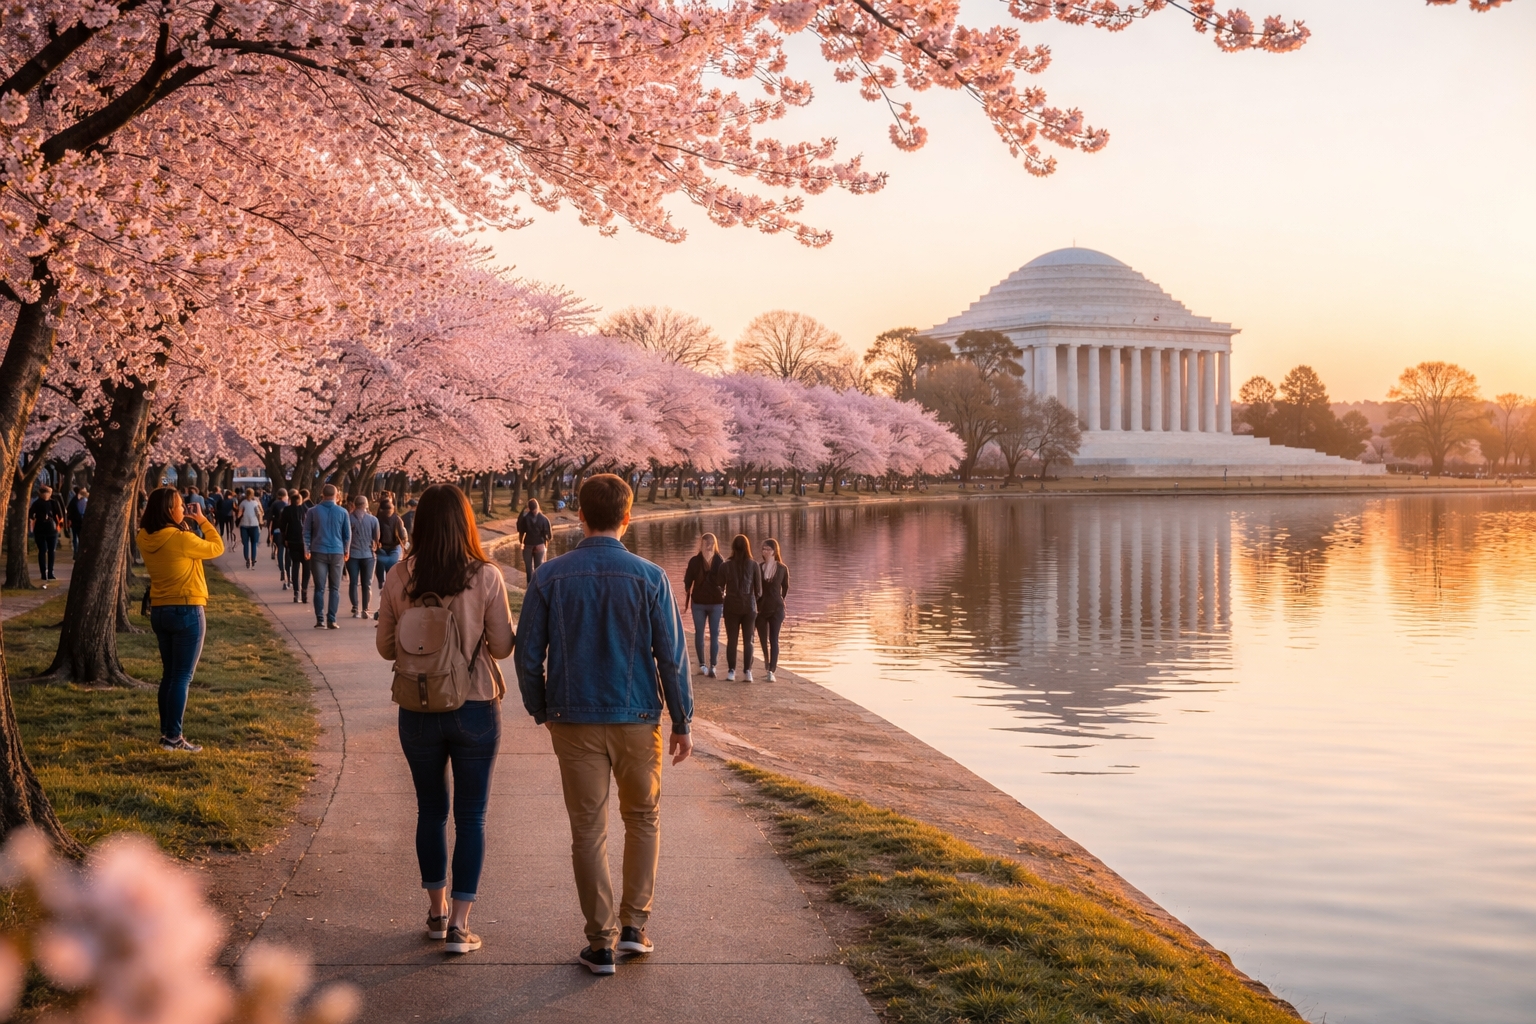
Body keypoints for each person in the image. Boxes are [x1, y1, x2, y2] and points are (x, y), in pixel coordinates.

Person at [515, 474, 692, 976]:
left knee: (587, 829)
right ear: (628, 516)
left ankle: (600, 942)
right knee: (643, 818)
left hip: (573, 719)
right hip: (638, 716)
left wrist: (541, 709)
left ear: (578, 515)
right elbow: (671, 660)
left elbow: (529, 656)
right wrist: (682, 720)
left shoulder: (549, 577)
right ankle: (635, 926)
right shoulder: (651, 576)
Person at [376, 484, 515, 956]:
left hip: (417, 707)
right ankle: (460, 925)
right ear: (465, 522)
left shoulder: (399, 576)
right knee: (471, 814)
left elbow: (385, 647)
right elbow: (500, 647)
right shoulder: (487, 577)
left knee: (430, 810)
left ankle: (434, 914)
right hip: (475, 704)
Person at [137, 486, 225, 753]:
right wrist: (202, 520)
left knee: (170, 675)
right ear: (168, 510)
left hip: (161, 609)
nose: (184, 508)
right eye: (179, 505)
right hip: (187, 608)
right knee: (182, 676)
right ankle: (174, 737)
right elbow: (217, 547)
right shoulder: (181, 539)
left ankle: (167, 734)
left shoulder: (144, 536)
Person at [303, 484, 351, 629]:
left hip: (318, 551)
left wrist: (307, 548)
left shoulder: (312, 511)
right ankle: (332, 619)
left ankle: (320, 619)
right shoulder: (343, 512)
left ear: (322, 494)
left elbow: (306, 532)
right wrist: (346, 550)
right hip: (337, 552)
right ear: (336, 495)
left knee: (319, 587)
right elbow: (347, 535)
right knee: (335, 588)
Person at [682, 534, 725, 678]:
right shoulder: (695, 561)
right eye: (706, 542)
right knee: (699, 632)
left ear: (715, 544)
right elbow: (687, 580)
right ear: (701, 544)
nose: (709, 545)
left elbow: (724, 581)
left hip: (716, 603)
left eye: (711, 542)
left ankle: (713, 665)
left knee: (715, 633)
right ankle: (702, 664)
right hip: (699, 602)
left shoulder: (719, 560)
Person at [720, 534, 762, 682]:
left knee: (732, 640)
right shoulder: (754, 565)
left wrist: (726, 597)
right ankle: (747, 671)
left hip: (731, 606)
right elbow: (759, 590)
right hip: (749, 607)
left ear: (733, 547)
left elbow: (719, 586)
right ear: (747, 547)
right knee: (749, 640)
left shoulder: (725, 565)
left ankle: (731, 671)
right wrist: (752, 599)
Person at [755, 539, 790, 683]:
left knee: (773, 639)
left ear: (775, 551)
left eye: (769, 549)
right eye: (764, 549)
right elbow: (755, 588)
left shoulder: (782, 568)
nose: (766, 551)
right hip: (761, 608)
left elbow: (785, 587)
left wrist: (780, 599)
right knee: (763, 640)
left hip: (777, 608)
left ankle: (771, 670)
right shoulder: (758, 567)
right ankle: (766, 664)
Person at [347, 494, 380, 619]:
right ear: (366, 505)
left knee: (353, 582)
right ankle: (365, 608)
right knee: (367, 583)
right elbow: (377, 538)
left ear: (354, 505)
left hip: (352, 555)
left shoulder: (349, 518)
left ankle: (355, 607)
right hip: (368, 555)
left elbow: (345, 536)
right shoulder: (373, 520)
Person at [374, 496, 407, 614]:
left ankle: (384, 583)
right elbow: (403, 535)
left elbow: (403, 535)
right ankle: (384, 583)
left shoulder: (390, 519)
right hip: (387, 548)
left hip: (388, 548)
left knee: (387, 571)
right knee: (386, 571)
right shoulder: (384, 519)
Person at [27, 484, 64, 582]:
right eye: (47, 493)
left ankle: (51, 572)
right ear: (42, 494)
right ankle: (43, 572)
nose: (49, 495)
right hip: (40, 529)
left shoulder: (53, 503)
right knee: (42, 551)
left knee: (52, 551)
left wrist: (59, 526)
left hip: (52, 530)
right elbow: (30, 514)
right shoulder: (37, 503)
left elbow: (60, 515)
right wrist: (34, 519)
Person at [280, 489, 312, 602]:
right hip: (305, 542)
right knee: (307, 567)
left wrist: (285, 539)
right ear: (301, 500)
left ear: (291, 500)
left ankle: (296, 592)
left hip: (292, 541)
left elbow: (282, 526)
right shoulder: (307, 510)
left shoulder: (287, 510)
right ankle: (304, 590)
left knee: (295, 565)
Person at [516, 498, 552, 581]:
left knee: (529, 570)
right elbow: (549, 535)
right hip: (540, 544)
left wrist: (521, 541)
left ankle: (529, 587)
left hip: (528, 544)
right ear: (538, 506)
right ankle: (539, 587)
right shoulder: (544, 519)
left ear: (529, 508)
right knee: (539, 569)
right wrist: (545, 542)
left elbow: (519, 528)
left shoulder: (525, 518)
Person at [237, 488, 264, 569]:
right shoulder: (255, 503)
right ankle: (253, 559)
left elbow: (239, 514)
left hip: (244, 525)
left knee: (245, 544)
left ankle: (247, 559)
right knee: (254, 543)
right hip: (254, 525)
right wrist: (260, 522)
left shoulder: (242, 503)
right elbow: (259, 513)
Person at [268, 489, 290, 585]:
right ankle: (287, 570)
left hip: (276, 530)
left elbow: (270, 519)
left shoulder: (274, 504)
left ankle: (282, 570)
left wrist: (270, 533)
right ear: (285, 496)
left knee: (280, 550)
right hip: (286, 531)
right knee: (287, 553)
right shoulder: (287, 506)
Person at [67, 487, 88, 556]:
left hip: (77, 521)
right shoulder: (80, 500)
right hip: (77, 521)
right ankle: (77, 552)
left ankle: (77, 552)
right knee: (77, 538)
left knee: (77, 538)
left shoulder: (76, 500)